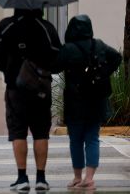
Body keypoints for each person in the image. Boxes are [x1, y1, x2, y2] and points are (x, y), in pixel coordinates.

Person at [0, 8, 61, 191]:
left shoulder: (5, 26)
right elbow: (57, 58)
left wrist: (10, 70)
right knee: (40, 133)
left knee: (18, 132)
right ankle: (41, 178)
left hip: (15, 88)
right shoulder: (47, 27)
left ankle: (22, 177)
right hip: (41, 89)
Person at [53, 15, 121, 190]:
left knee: (75, 140)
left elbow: (54, 66)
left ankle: (77, 177)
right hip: (97, 101)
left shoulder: (68, 49)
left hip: (75, 102)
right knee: (92, 138)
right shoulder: (99, 45)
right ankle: (89, 178)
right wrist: (104, 72)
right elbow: (117, 57)